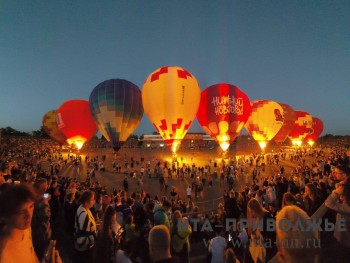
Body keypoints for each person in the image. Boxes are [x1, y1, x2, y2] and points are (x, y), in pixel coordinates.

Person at [0, 183, 61, 263]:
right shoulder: (4, 256)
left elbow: (31, 252)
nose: (29, 215)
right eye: (21, 212)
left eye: (31, 206)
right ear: (6, 217)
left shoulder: (26, 228)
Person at [324, 177, 350, 262]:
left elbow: (329, 203)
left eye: (342, 195)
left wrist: (336, 192)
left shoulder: (346, 208)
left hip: (343, 242)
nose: (341, 197)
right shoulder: (345, 206)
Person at [247, 198, 277, 263]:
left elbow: (272, 235)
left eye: (252, 211)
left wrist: (260, 238)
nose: (252, 214)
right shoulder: (258, 219)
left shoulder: (267, 216)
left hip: (270, 251)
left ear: (256, 209)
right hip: (265, 250)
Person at [31, 178, 52, 262]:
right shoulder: (43, 202)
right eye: (46, 185)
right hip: (40, 233)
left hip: (34, 230)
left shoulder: (33, 195)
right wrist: (46, 201)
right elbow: (47, 216)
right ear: (44, 188)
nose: (47, 186)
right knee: (41, 254)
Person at [74, 190, 97, 263]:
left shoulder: (83, 208)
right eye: (92, 199)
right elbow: (83, 237)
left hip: (84, 247)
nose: (94, 201)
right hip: (84, 248)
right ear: (86, 202)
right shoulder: (84, 215)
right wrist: (98, 234)